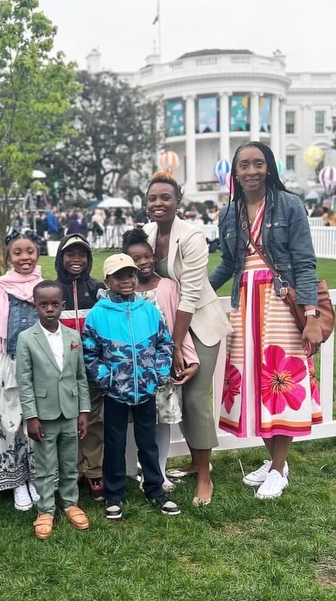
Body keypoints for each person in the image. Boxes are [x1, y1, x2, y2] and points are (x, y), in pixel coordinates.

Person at [209, 142, 323, 500]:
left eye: (258, 163)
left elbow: (304, 263)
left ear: (269, 167)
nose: (251, 171)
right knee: (253, 384)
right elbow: (229, 263)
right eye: (244, 165)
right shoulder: (230, 213)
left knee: (279, 380)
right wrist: (198, 289)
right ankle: (277, 462)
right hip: (244, 305)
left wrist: (311, 314)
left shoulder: (288, 205)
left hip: (278, 301)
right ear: (236, 173)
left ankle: (277, 470)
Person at [143, 171, 232, 506]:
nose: (158, 203)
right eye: (153, 198)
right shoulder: (148, 234)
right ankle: (195, 462)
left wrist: (177, 347)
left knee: (194, 398)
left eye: (165, 197)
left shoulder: (192, 236)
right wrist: (169, 343)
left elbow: (190, 296)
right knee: (172, 395)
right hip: (166, 328)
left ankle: (205, 475)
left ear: (177, 202)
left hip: (198, 324)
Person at [82, 254, 180, 520]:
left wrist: (158, 373)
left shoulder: (149, 310)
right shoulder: (97, 315)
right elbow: (90, 353)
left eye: (130, 275)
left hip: (146, 389)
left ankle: (155, 489)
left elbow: (164, 343)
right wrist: (107, 379)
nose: (126, 280)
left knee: (147, 442)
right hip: (115, 393)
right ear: (108, 281)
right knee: (114, 443)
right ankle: (114, 494)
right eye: (119, 276)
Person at [122, 228, 200, 491]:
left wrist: (190, 358)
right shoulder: (123, 290)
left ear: (153, 256)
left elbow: (180, 326)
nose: (143, 263)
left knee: (162, 419)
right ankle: (140, 468)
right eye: (136, 259)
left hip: (161, 367)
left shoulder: (168, 287)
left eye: (147, 256)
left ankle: (160, 471)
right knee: (139, 420)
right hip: (132, 369)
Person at [16, 281, 91, 540]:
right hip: (43, 414)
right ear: (35, 306)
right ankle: (46, 509)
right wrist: (31, 416)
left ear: (63, 306)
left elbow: (80, 376)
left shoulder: (73, 337)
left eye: (55, 304)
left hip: (70, 411)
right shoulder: (26, 338)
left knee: (70, 463)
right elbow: (24, 381)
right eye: (43, 304)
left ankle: (70, 503)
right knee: (46, 464)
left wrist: (83, 410)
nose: (49, 309)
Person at [0, 230, 42, 510]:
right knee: (10, 424)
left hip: (39, 365)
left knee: (36, 423)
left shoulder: (44, 287)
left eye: (29, 251)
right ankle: (17, 482)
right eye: (17, 252)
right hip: (8, 363)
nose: (24, 257)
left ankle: (34, 479)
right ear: (9, 258)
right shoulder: (0, 288)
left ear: (37, 254)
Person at [54, 234, 106, 501]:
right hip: (62, 369)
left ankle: (95, 471)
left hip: (92, 366)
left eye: (81, 255)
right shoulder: (53, 290)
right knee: (67, 420)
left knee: (94, 419)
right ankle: (71, 473)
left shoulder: (97, 289)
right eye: (70, 254)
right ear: (60, 258)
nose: (76, 260)